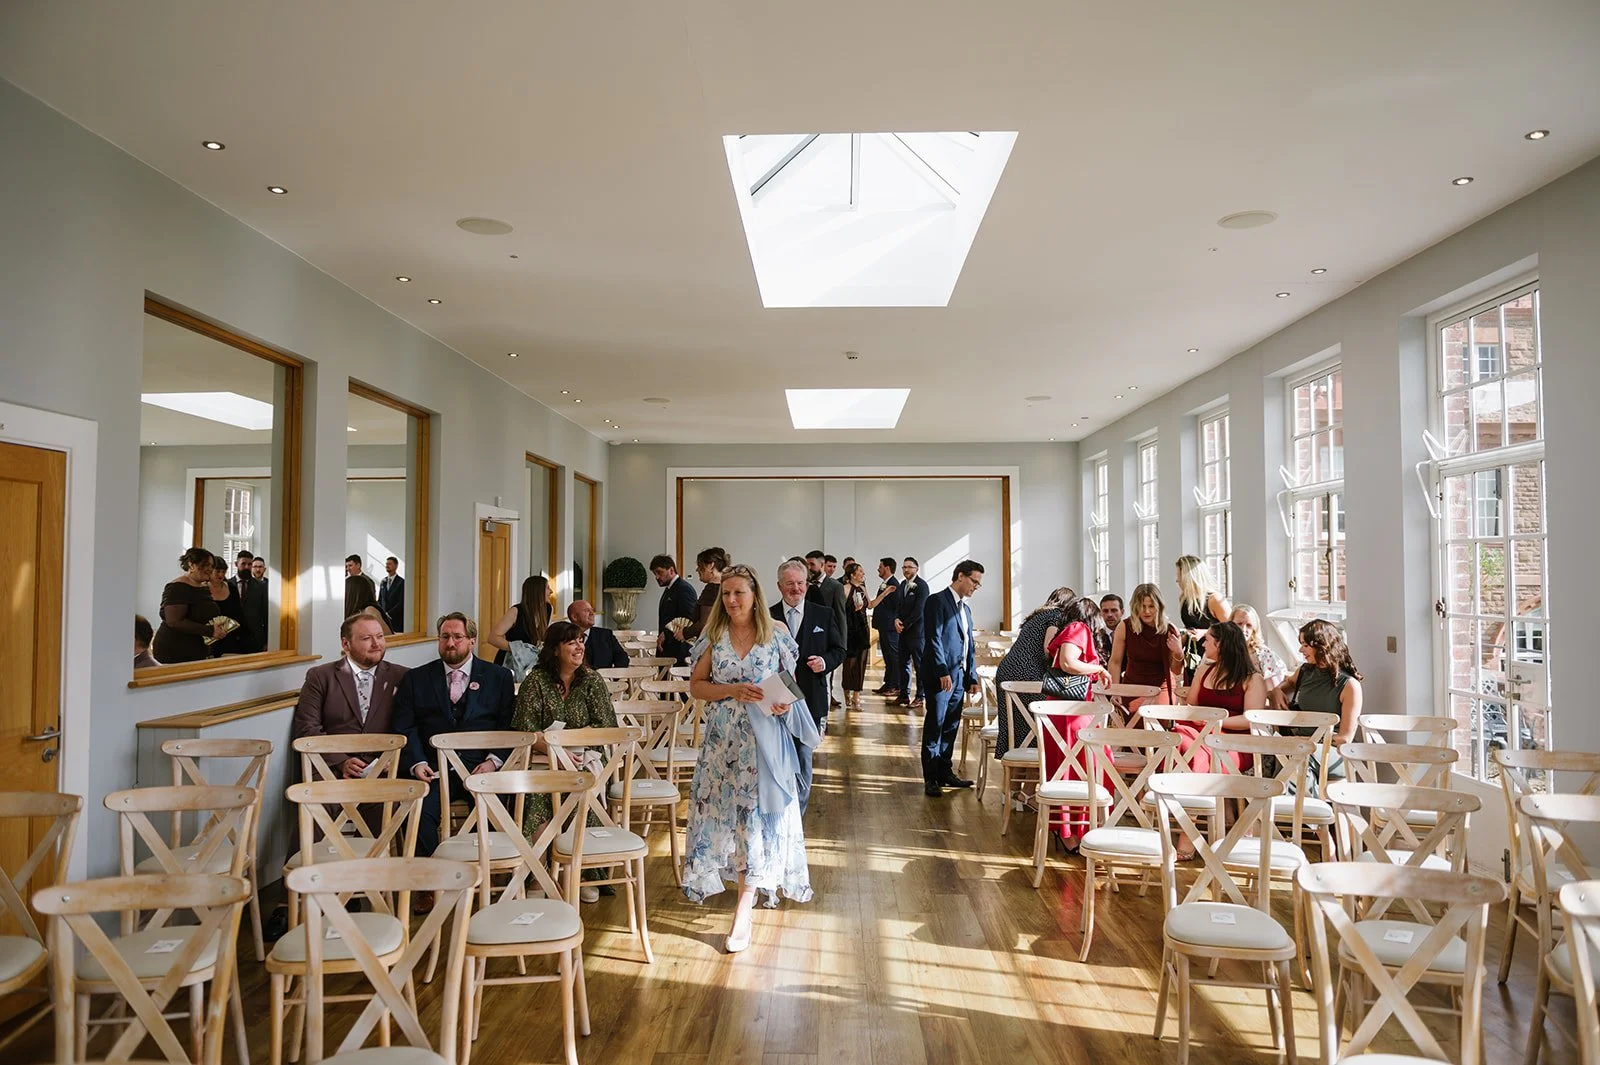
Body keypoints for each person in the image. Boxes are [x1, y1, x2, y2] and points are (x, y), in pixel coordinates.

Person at [684, 564, 819, 953]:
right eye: (726, 594)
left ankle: (746, 900)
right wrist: (730, 690)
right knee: (726, 813)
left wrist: (780, 705)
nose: (731, 600)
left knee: (756, 817)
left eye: (738, 593)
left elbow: (789, 687)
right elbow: (697, 687)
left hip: (763, 740)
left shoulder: (775, 634)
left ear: (754, 595)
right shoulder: (714, 635)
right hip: (723, 741)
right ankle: (743, 885)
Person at [510, 620, 619, 902]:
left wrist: (570, 743)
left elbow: (606, 726)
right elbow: (523, 729)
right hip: (544, 761)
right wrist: (550, 746)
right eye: (571, 642)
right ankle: (540, 875)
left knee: (582, 794)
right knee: (537, 799)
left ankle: (582, 874)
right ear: (555, 649)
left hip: (586, 759)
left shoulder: (592, 680)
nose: (579, 646)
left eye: (581, 640)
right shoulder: (537, 681)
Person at [392, 613, 516, 857]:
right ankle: (429, 881)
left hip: (481, 768)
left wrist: (493, 761)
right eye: (445, 637)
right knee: (417, 812)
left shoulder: (498, 677)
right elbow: (404, 727)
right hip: (432, 770)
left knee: (496, 813)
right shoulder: (415, 679)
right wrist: (417, 763)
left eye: (458, 637)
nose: (450, 643)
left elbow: (509, 726)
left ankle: (487, 876)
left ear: (472, 640)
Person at [291, 613, 408, 777]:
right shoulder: (320, 676)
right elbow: (307, 728)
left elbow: (414, 728)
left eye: (380, 636)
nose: (377, 644)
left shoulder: (403, 676)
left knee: (400, 801)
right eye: (367, 638)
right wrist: (340, 761)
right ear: (346, 644)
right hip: (331, 772)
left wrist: (394, 760)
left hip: (386, 771)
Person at [771, 560, 845, 810]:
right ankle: (779, 812)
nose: (796, 589)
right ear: (779, 586)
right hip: (775, 700)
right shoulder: (767, 617)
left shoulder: (823, 614)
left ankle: (798, 815)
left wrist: (825, 662)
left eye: (801, 583)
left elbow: (839, 650)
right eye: (790, 584)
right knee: (775, 757)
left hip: (811, 698)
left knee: (804, 756)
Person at [1040, 596, 1113, 845]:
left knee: (1067, 766)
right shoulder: (1079, 628)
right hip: (1072, 712)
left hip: (1062, 707)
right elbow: (1068, 662)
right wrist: (1098, 669)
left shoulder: (1066, 629)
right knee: (1090, 764)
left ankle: (1067, 830)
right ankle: (1075, 832)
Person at [1270, 618, 1364, 788]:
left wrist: (1306, 741)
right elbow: (1288, 684)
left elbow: (1345, 738)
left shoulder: (1349, 686)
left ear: (1322, 646)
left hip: (1336, 753)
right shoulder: (1305, 671)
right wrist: (1276, 691)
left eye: (1305, 645)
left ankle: (1292, 808)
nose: (1300, 650)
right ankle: (1301, 808)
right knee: (1291, 756)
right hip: (1299, 747)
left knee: (1298, 756)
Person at [920, 560, 984, 797]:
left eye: (979, 583)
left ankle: (944, 771)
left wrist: (972, 676)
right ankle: (930, 778)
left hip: (958, 676)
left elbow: (969, 646)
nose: (976, 587)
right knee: (935, 724)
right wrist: (942, 670)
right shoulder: (936, 601)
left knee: (951, 726)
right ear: (960, 576)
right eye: (974, 581)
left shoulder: (965, 609)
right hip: (941, 676)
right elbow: (933, 638)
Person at [992, 587, 1075, 758]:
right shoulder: (1056, 616)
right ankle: (1036, 761)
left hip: (1008, 669)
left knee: (1014, 723)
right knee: (1036, 719)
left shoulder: (1037, 616)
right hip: (1027, 671)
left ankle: (1014, 763)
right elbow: (1048, 647)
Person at [1108, 583, 1185, 713]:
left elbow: (1176, 671)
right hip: (1132, 685)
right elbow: (1115, 662)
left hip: (1161, 687)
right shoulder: (1125, 627)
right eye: (1142, 606)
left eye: (1151, 606)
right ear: (1135, 607)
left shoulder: (1169, 630)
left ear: (1159, 607)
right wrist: (1115, 690)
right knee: (1131, 726)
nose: (1147, 611)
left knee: (1156, 721)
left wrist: (1178, 652)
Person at [150, 547, 228, 664]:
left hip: (197, 647)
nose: (210, 569)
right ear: (191, 565)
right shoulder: (177, 587)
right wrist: (210, 631)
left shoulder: (203, 587)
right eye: (205, 565)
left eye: (212, 566)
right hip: (174, 648)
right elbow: (174, 621)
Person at [1175, 555, 1231, 683]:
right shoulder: (1184, 599)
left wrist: (1204, 632)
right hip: (1194, 656)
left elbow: (1232, 630)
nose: (1177, 580)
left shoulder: (1214, 599)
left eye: (1179, 576)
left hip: (1215, 658)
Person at [804, 550, 849, 709]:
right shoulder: (804, 584)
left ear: (821, 565)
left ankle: (824, 715)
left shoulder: (835, 586)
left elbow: (840, 616)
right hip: (808, 639)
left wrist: (841, 644)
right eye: (807, 564)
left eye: (812, 564)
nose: (808, 568)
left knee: (827, 679)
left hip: (827, 638)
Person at [488, 574, 552, 668]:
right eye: (547, 588)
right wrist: (518, 649)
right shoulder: (516, 611)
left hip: (531, 662)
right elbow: (493, 638)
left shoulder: (548, 609)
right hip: (511, 662)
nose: (551, 591)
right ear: (537, 591)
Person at [893, 557, 930, 708]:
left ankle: (920, 696)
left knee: (919, 665)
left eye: (910, 567)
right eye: (904, 567)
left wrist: (905, 624)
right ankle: (904, 694)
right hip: (902, 631)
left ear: (917, 569)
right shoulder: (902, 584)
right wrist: (896, 619)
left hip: (917, 632)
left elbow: (920, 610)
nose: (906, 569)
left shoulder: (922, 586)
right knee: (902, 663)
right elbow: (898, 605)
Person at [651, 554, 699, 665]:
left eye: (659, 572)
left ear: (671, 570)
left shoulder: (684, 589)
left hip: (679, 650)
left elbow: (688, 618)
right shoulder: (670, 589)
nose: (657, 577)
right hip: (668, 649)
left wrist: (667, 634)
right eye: (655, 574)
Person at [839, 562, 871, 709]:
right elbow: (840, 611)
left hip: (863, 628)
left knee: (861, 662)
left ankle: (857, 695)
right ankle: (846, 691)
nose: (863, 574)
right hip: (850, 630)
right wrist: (854, 610)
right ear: (852, 574)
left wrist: (885, 593)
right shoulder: (844, 589)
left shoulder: (863, 588)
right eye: (861, 572)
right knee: (849, 664)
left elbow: (870, 605)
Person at [1232, 603, 1287, 689]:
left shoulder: (1263, 653)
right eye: (1239, 624)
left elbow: (1274, 685)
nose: (1243, 629)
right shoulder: (1220, 649)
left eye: (1249, 625)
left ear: (1254, 628)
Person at [868, 558, 901, 699]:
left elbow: (897, 606)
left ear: (887, 568)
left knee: (893, 657)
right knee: (888, 657)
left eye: (880, 566)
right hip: (884, 626)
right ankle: (888, 683)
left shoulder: (894, 585)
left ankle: (895, 685)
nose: (878, 569)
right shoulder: (885, 584)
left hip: (890, 628)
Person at [682, 546, 729, 643]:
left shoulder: (712, 589)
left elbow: (705, 623)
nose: (697, 570)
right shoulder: (726, 586)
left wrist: (684, 633)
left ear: (711, 566)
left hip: (711, 644)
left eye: (700, 565)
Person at [567, 599, 629, 670]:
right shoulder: (564, 636)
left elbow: (622, 659)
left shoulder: (606, 635)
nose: (592, 613)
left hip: (605, 679)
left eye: (592, 610)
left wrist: (613, 677)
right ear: (574, 617)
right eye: (586, 610)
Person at [207, 553, 248, 656]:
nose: (221, 575)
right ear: (210, 571)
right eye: (217, 571)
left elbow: (239, 612)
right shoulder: (201, 589)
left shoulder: (231, 587)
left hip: (230, 636)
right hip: (208, 637)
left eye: (223, 571)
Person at [239, 557, 269, 653]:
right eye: (255, 566)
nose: (258, 569)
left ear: (264, 568)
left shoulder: (269, 585)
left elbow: (266, 613)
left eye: (260, 567)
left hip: (257, 633)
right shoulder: (233, 584)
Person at [344, 554, 378, 619]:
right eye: (346, 566)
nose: (348, 569)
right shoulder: (347, 581)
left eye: (350, 565)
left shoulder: (368, 581)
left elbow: (371, 601)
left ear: (358, 565)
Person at [378, 556, 405, 632]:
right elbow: (380, 599)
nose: (387, 566)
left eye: (389, 564)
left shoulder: (401, 582)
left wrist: (389, 614)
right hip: (384, 620)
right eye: (386, 564)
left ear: (396, 566)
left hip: (396, 619)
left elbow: (401, 602)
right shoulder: (383, 581)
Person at [1096, 593, 1124, 663]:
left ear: (1122, 612)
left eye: (1114, 610)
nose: (1109, 615)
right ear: (1100, 613)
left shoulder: (1131, 634)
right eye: (1105, 611)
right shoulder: (1096, 637)